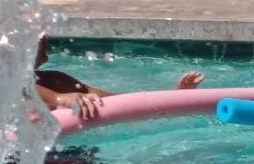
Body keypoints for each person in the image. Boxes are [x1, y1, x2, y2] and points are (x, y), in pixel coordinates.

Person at [34, 35, 203, 120]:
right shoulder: (13, 89)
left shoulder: (57, 81)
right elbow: (17, 90)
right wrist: (59, 99)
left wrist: (177, 97)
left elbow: (124, 103)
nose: (45, 36)